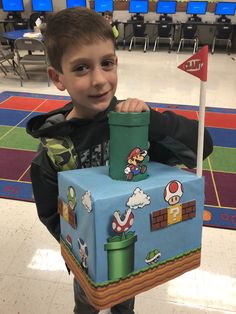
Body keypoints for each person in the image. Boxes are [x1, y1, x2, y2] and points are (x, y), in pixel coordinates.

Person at [26, 7, 213, 314]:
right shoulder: (56, 147)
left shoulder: (137, 126)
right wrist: (77, 247)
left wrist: (153, 121)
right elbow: (49, 211)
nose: (99, 80)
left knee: (124, 305)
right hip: (87, 255)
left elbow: (201, 147)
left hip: (130, 251)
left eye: (106, 63)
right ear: (57, 78)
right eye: (82, 68)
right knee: (87, 304)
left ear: (116, 62)